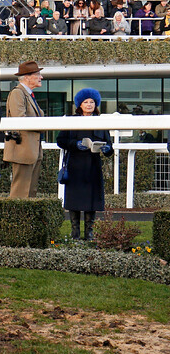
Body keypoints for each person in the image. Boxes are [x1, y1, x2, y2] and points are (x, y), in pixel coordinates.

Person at [57, 88, 113, 240]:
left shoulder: (101, 122)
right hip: (75, 166)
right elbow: (60, 141)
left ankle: (89, 234)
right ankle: (75, 233)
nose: (89, 105)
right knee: (74, 200)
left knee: (91, 200)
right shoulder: (71, 120)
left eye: (92, 102)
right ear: (79, 105)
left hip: (93, 167)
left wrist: (107, 149)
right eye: (86, 102)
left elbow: (109, 148)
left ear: (96, 104)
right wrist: (75, 144)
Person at [3, 61, 45, 198]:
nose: (41, 77)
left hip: (32, 150)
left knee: (30, 192)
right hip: (23, 151)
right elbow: (20, 120)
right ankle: (16, 219)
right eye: (38, 74)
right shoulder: (18, 93)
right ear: (27, 77)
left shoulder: (28, 95)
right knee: (20, 193)